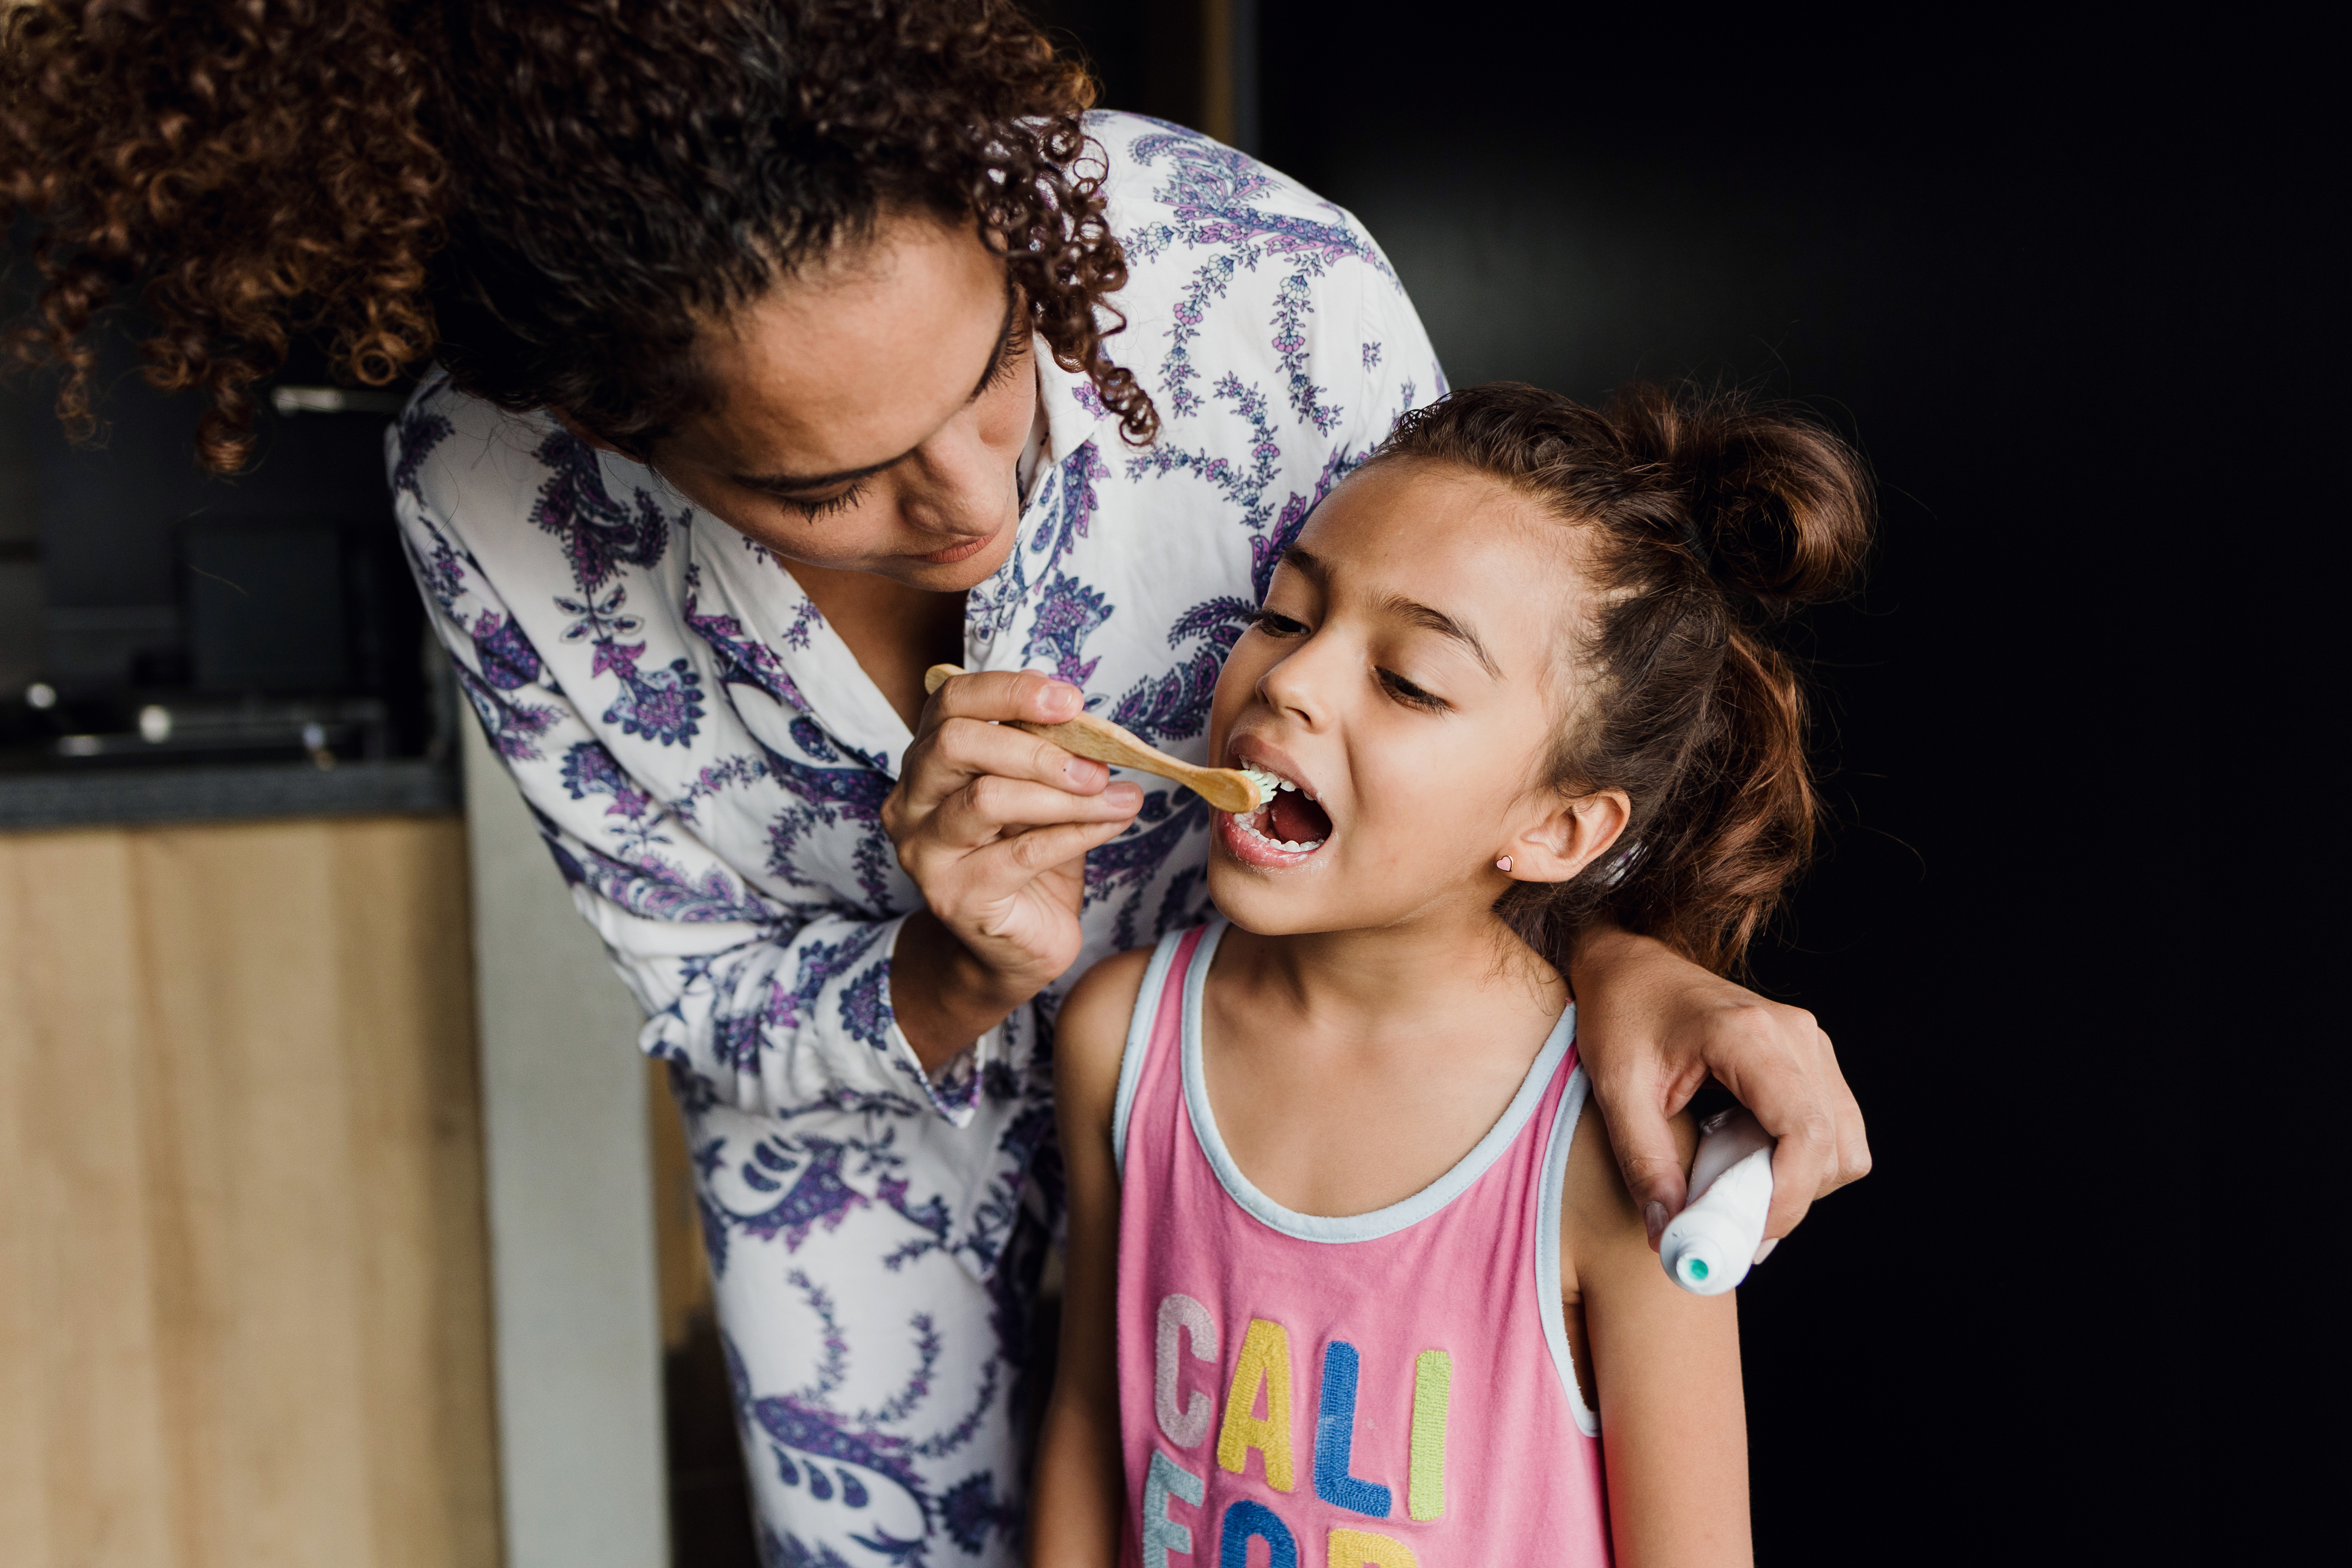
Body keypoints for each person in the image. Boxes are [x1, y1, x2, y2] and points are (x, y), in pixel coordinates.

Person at [1, 4, 1867, 1560]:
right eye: (824, 486)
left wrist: (1627, 963)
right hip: (863, 1259)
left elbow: (1513, 685)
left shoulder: (1268, 285)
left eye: (994, 374)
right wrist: (950, 973)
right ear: (600, 426)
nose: (972, 499)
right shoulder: (492, 499)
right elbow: (714, 999)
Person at [1034, 381, 1872, 1566]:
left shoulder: (1613, 1150)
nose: (1290, 680)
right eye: (1282, 615)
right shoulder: (1119, 1036)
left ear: (1558, 830)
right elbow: (1090, 1412)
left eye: (1409, 679)